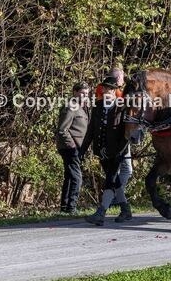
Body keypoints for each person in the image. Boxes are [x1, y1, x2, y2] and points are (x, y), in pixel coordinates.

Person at [86, 68, 134, 225]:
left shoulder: (122, 106)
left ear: (114, 91)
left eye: (109, 89)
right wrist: (83, 149)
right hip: (102, 151)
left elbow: (127, 133)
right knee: (115, 182)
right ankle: (125, 210)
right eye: (104, 88)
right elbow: (91, 129)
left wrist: (118, 151)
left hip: (117, 151)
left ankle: (100, 213)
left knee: (110, 180)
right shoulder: (98, 106)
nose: (105, 91)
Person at [56, 82, 91, 213]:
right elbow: (62, 130)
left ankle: (65, 207)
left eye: (87, 93)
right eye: (82, 93)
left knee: (70, 176)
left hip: (78, 147)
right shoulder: (71, 107)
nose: (85, 95)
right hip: (69, 147)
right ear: (75, 92)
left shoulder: (83, 107)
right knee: (77, 177)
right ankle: (72, 207)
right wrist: (72, 145)